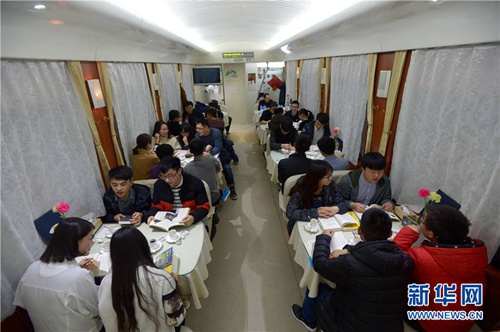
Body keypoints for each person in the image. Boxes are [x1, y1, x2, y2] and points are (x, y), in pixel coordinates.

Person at [292, 209, 414, 332]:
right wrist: (350, 250)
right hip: (391, 327)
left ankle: (308, 319)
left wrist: (323, 238)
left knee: (316, 285)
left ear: (359, 230)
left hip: (350, 325)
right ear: (390, 234)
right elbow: (375, 255)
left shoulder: (350, 263)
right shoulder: (406, 261)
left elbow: (320, 265)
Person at [393, 205, 487, 332]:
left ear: (431, 234)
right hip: (464, 324)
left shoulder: (422, 257)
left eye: (423, 221)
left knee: (391, 286)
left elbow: (391, 260)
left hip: (432, 325)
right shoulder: (478, 251)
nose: (420, 222)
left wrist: (408, 233)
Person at [14, 218, 102, 332]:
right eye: (90, 238)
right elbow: (97, 309)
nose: (92, 242)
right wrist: (93, 275)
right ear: (74, 240)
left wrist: (76, 270)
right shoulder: (79, 277)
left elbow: (24, 302)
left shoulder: (32, 268)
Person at [98, 227, 186, 332]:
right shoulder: (162, 278)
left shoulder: (106, 282)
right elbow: (177, 318)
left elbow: (105, 317)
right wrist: (173, 284)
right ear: (144, 248)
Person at [285, 160, 350, 235]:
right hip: (305, 224)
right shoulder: (302, 189)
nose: (331, 178)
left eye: (331, 175)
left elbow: (342, 202)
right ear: (316, 178)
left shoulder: (330, 185)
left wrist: (336, 208)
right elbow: (290, 212)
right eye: (327, 177)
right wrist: (316, 212)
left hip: (326, 223)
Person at [147, 156, 210, 226]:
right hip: (167, 221)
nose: (167, 180)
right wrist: (151, 215)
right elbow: (156, 206)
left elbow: (204, 207)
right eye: (163, 176)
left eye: (170, 176)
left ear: (179, 171)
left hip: (189, 219)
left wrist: (193, 217)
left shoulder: (195, 183)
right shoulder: (159, 185)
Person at [195, 118, 238, 199]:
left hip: (220, 154)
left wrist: (209, 153)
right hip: (205, 156)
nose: (197, 130)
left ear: (207, 128)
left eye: (200, 128)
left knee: (226, 168)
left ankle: (232, 188)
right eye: (196, 128)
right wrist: (204, 151)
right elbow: (198, 148)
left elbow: (218, 147)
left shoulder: (216, 132)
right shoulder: (197, 135)